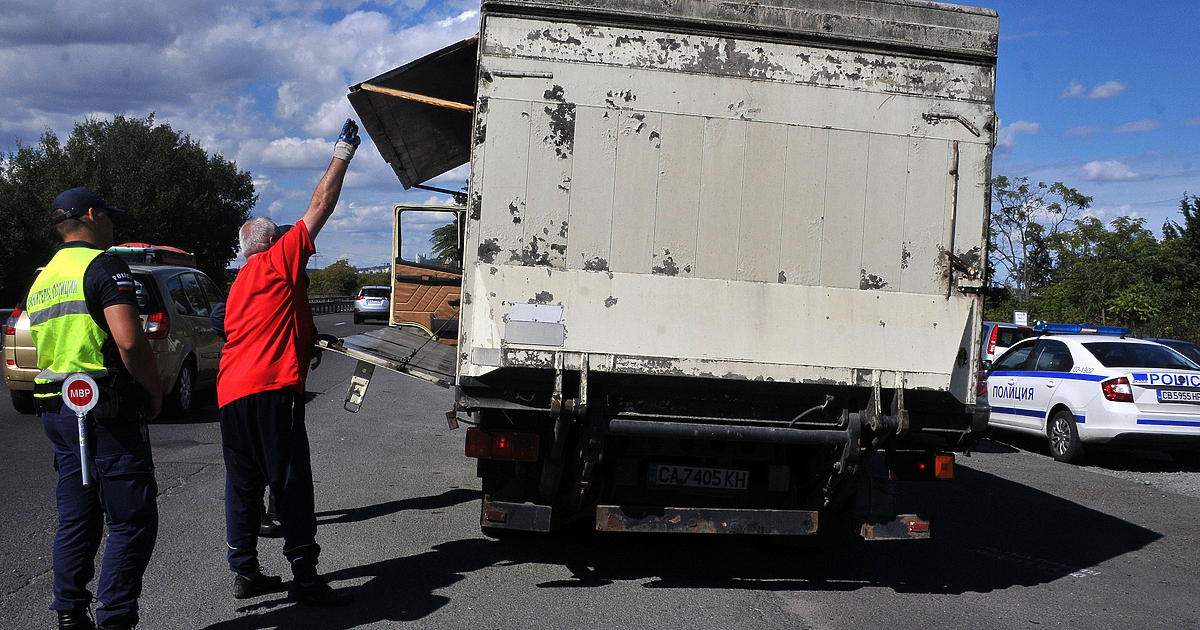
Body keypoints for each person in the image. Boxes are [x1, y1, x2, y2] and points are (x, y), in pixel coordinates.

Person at [216, 118, 359, 607]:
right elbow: (320, 206)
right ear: (272, 243)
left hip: (231, 395)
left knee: (244, 486)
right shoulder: (277, 262)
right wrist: (343, 152)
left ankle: (245, 571)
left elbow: (272, 323)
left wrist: (305, 338)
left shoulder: (240, 284)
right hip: (272, 393)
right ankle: (305, 576)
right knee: (291, 482)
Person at [25, 188, 163, 630]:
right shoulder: (104, 265)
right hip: (105, 408)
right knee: (132, 518)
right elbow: (127, 339)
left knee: (77, 516)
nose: (113, 224)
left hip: (58, 409)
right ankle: (116, 619)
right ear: (91, 215)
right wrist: (154, 389)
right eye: (109, 215)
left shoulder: (43, 278)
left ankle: (69, 613)